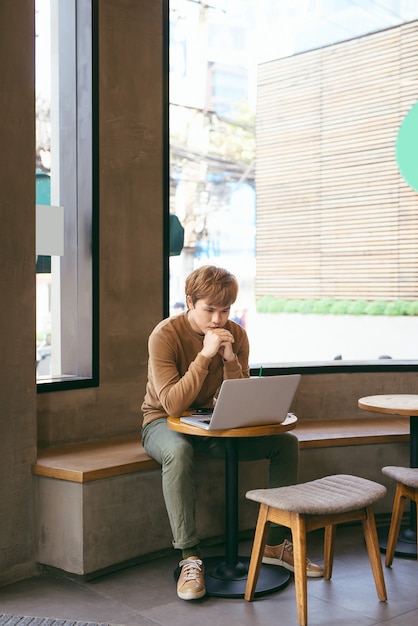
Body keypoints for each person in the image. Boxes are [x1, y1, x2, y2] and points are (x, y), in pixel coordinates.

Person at [141, 265, 323, 601]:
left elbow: (239, 397)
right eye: (209, 310)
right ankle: (189, 557)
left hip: (209, 423)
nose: (217, 319)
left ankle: (274, 543)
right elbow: (172, 406)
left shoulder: (235, 335)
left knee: (285, 443)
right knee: (178, 452)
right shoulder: (164, 335)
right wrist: (205, 354)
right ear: (189, 302)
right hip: (160, 423)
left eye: (225, 310)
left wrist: (228, 358)